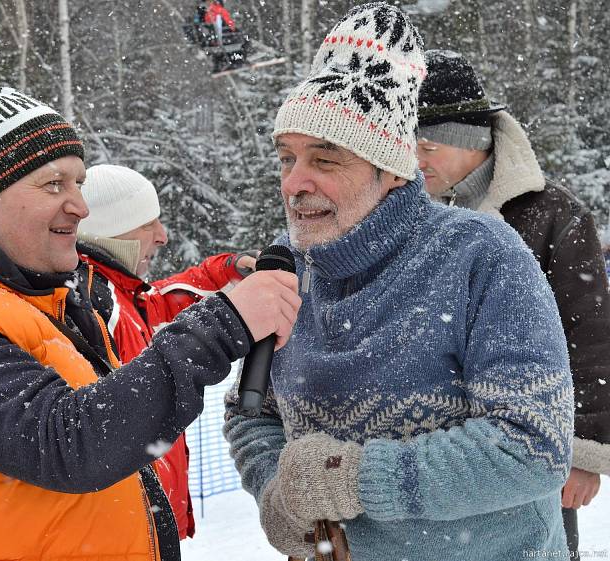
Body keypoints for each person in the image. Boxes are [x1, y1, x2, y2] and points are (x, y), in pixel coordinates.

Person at [0, 80, 301, 561]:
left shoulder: (29, 299)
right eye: (53, 184)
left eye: (79, 183)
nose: (80, 205)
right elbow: (69, 443)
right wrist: (224, 326)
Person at [224, 3, 574, 560]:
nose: (295, 183)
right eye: (286, 158)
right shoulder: (286, 269)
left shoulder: (483, 256)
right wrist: (278, 493)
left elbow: (533, 447)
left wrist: (353, 478)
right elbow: (250, 411)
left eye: (326, 158)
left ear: (391, 168)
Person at [415, 49, 610, 560]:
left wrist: (583, 452)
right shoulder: (401, 212)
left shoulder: (551, 213)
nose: (414, 159)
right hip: (427, 454)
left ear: (472, 142)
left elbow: (587, 334)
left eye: (428, 144)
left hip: (530, 446)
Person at [75, 163, 257, 539]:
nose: (162, 236)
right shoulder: (96, 306)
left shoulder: (120, 295)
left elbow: (164, 298)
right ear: (112, 232)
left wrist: (228, 269)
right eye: (148, 224)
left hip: (145, 526)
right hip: (127, 534)